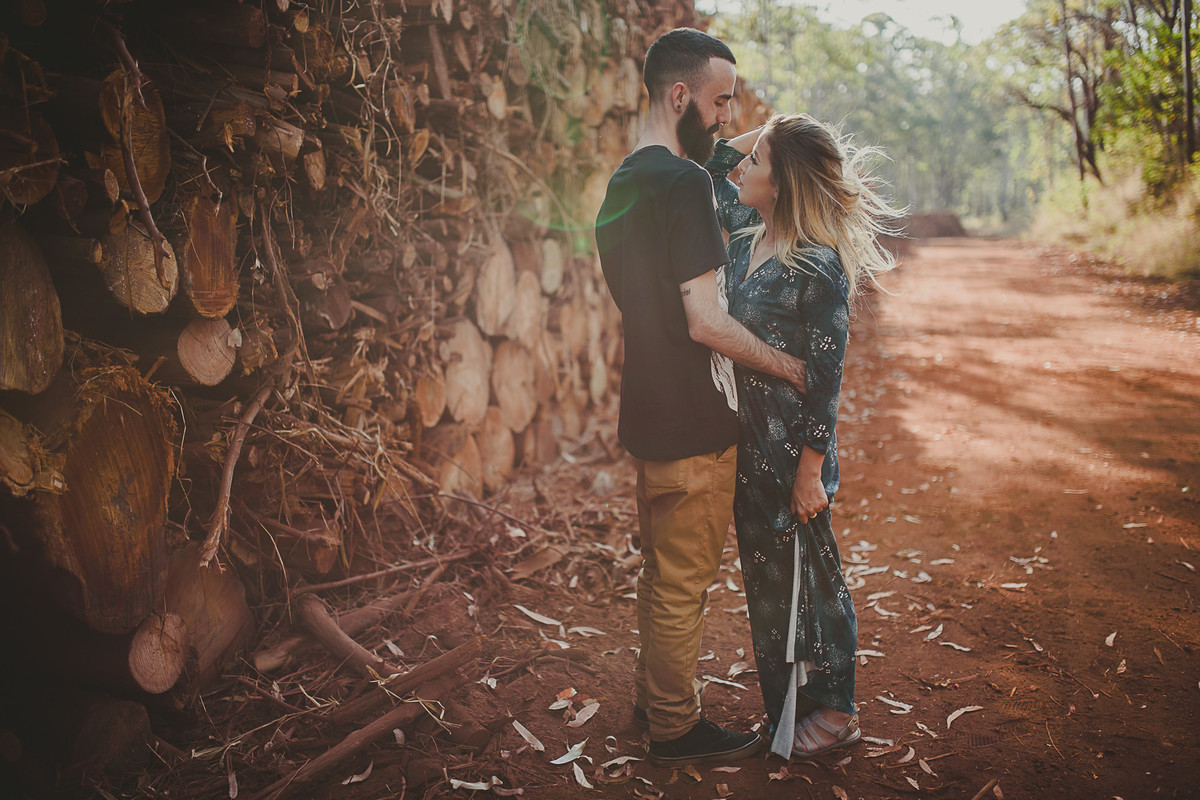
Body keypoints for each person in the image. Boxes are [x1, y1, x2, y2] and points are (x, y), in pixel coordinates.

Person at [594, 28, 809, 767]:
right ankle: (676, 728)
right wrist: (787, 366)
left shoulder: (627, 180)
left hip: (647, 417)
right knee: (684, 586)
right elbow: (705, 319)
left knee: (661, 577)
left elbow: (723, 146)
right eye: (718, 102)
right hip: (694, 421)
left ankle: (653, 703)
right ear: (679, 95)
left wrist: (776, 135)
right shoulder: (685, 185)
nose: (725, 119)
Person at [702, 114, 902, 759]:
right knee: (766, 582)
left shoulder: (816, 268)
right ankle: (788, 707)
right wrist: (749, 138)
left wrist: (812, 469)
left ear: (782, 184)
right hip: (745, 446)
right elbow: (708, 170)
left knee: (814, 575)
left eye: (756, 163)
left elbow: (826, 379)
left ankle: (837, 707)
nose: (742, 170)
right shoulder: (743, 238)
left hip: (794, 452)